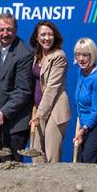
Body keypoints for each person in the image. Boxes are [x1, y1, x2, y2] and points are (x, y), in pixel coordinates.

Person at [0, 13, 34, 162]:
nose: (5, 34)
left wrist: (4, 112)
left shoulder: (24, 53)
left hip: (17, 120)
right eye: (1, 30)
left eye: (9, 29)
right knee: (2, 162)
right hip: (1, 116)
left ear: (16, 30)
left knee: (13, 163)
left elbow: (23, 90)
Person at [30, 20, 72, 163]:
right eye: (43, 35)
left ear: (55, 37)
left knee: (51, 156)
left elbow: (52, 89)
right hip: (38, 109)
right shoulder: (36, 56)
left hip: (55, 109)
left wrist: (39, 114)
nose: (46, 38)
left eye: (50, 34)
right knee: (36, 154)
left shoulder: (59, 56)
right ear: (37, 37)